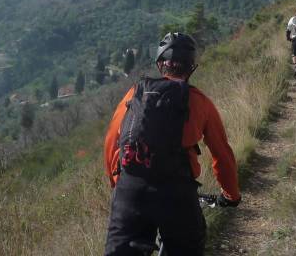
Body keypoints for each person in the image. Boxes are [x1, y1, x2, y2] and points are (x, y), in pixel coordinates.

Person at [103, 32, 241, 256]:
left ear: (160, 65)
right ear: (191, 68)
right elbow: (222, 154)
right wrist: (231, 195)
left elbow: (111, 141)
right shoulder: (200, 102)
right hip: (177, 193)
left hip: (131, 189)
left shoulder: (135, 93)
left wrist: (118, 183)